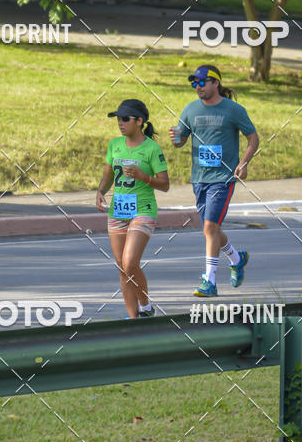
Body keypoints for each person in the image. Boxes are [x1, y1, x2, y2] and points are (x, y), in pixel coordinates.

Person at [168, 64, 259, 297]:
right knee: (212, 229)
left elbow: (253, 138)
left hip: (223, 178)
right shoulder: (190, 110)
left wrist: (244, 162)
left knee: (209, 227)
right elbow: (180, 141)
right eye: (194, 83)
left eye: (201, 82)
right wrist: (176, 138)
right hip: (199, 178)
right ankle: (236, 259)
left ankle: (209, 281)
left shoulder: (233, 110)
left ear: (215, 83)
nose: (197, 87)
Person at [96, 99, 169, 318]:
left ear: (139, 121)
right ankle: (133, 319)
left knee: (130, 263)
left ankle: (145, 305)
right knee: (121, 267)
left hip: (143, 210)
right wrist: (100, 191)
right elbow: (109, 175)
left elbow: (164, 184)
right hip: (117, 211)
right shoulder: (115, 145)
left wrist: (143, 176)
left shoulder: (151, 149)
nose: (120, 123)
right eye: (118, 118)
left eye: (125, 118)